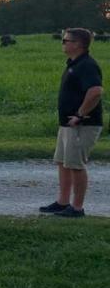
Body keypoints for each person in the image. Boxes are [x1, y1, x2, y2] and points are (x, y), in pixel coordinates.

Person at [40, 28, 103, 218]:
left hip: (82, 125)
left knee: (75, 164)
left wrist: (80, 115)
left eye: (66, 40)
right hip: (68, 124)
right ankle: (63, 201)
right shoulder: (73, 63)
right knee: (63, 163)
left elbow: (96, 91)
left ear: (78, 44)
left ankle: (77, 208)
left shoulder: (87, 65)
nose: (63, 43)